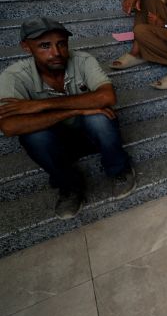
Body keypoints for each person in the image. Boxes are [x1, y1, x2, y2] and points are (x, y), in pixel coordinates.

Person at [0, 17, 135, 219]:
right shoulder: (14, 76)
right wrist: (75, 110)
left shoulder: (82, 60)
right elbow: (9, 126)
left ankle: (119, 170)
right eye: (45, 46)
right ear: (26, 47)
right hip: (56, 144)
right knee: (33, 137)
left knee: (99, 118)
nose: (56, 53)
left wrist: (41, 105)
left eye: (61, 44)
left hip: (91, 136)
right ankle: (70, 187)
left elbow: (107, 96)